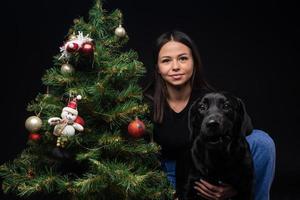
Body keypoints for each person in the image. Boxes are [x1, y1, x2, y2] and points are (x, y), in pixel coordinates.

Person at [143, 30, 276, 200]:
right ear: (158, 68)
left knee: (262, 141)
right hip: (165, 174)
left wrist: (233, 187)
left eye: (183, 58)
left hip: (210, 171)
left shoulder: (209, 101)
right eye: (166, 60)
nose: (175, 66)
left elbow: (237, 137)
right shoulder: (144, 104)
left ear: (194, 63)